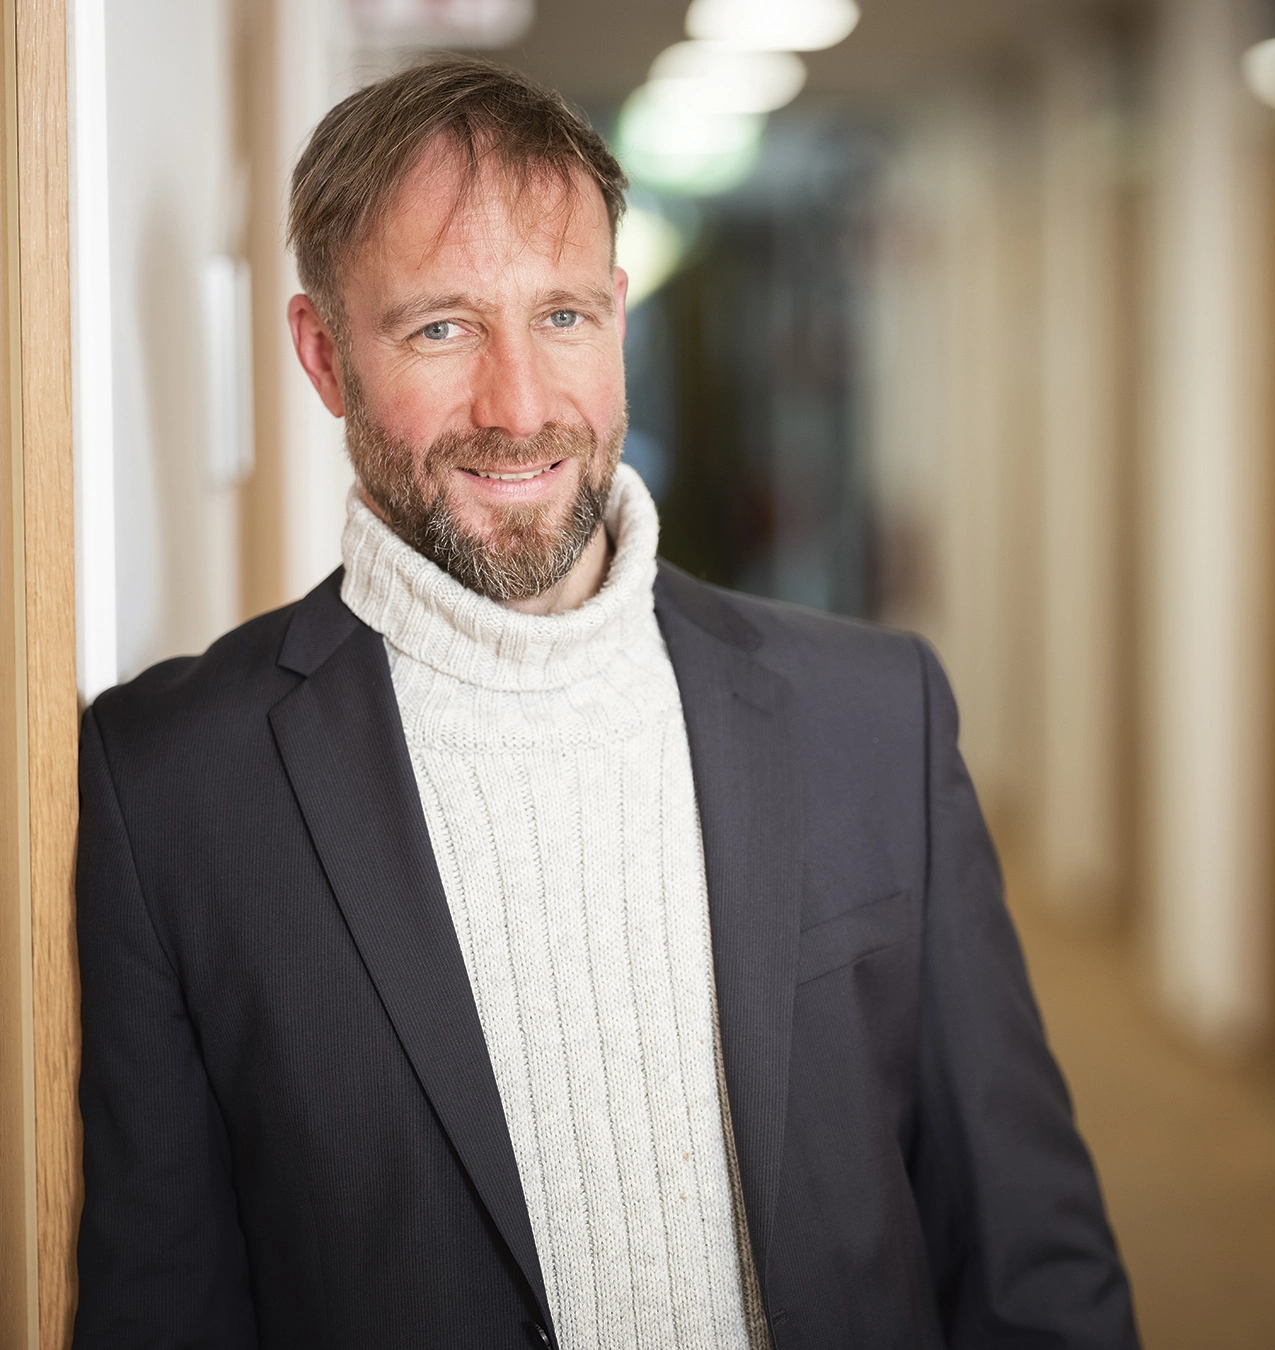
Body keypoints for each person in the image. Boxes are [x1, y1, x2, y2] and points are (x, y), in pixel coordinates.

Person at [73, 56, 1136, 1350]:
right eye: (441, 328)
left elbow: (1035, 1264)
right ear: (324, 354)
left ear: (620, 316)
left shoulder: (873, 718)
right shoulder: (167, 785)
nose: (519, 408)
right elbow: (162, 1305)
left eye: (563, 318)